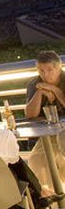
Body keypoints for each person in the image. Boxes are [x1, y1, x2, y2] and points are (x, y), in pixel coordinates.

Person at [24, 51, 65, 186]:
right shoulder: (35, 84)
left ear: (59, 67)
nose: (45, 75)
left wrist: (56, 90)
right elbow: (30, 115)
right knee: (38, 161)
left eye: (49, 70)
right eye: (41, 71)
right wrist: (40, 92)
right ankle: (55, 202)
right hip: (49, 135)